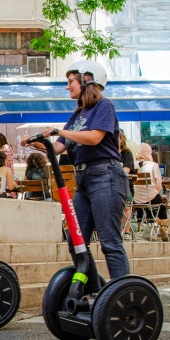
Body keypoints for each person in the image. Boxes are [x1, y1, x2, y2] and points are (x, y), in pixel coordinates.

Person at [27, 60, 130, 280]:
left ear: (86, 79)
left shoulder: (104, 106)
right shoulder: (76, 116)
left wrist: (59, 131)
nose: (67, 86)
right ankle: (95, 289)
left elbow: (94, 138)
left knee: (109, 241)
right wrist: (36, 142)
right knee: (76, 242)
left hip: (106, 176)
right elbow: (57, 148)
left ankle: (121, 293)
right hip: (83, 180)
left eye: (70, 81)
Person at [134, 143, 169, 242]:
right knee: (161, 207)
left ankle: (147, 227)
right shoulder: (153, 165)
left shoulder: (132, 164)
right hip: (151, 197)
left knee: (147, 204)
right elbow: (158, 184)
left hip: (135, 199)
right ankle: (164, 229)